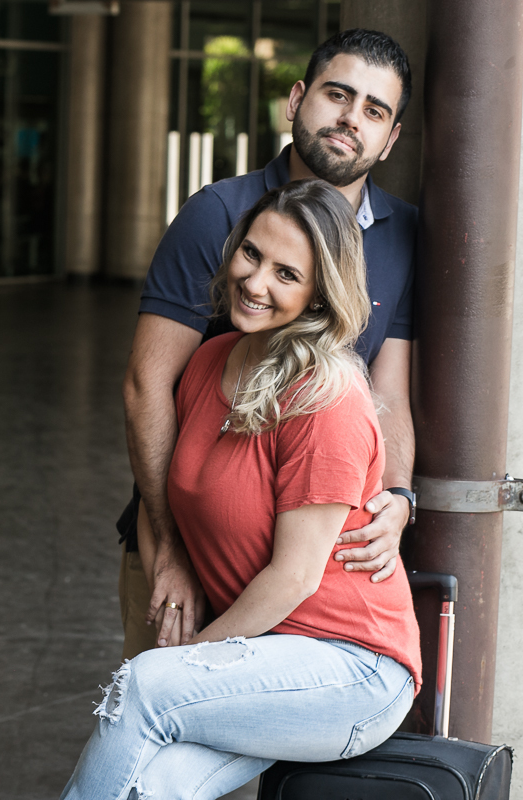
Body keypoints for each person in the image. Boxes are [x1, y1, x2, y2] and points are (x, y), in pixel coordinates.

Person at [61, 179, 422, 800]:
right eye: (251, 254)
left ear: (319, 294)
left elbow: (295, 578)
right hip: (261, 650)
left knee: (146, 687)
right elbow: (161, 494)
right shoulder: (210, 360)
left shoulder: (325, 397)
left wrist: (189, 659)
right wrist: (171, 580)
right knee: (153, 786)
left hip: (350, 669)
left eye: (288, 273)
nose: (256, 283)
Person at [120, 29, 418, 658]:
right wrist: (170, 552)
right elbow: (149, 384)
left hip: (304, 573)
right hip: (190, 541)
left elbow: (387, 393)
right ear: (296, 99)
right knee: (155, 721)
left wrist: (399, 497)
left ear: (391, 138)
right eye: (337, 95)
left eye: (374, 110)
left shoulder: (403, 236)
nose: (348, 119)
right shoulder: (218, 213)